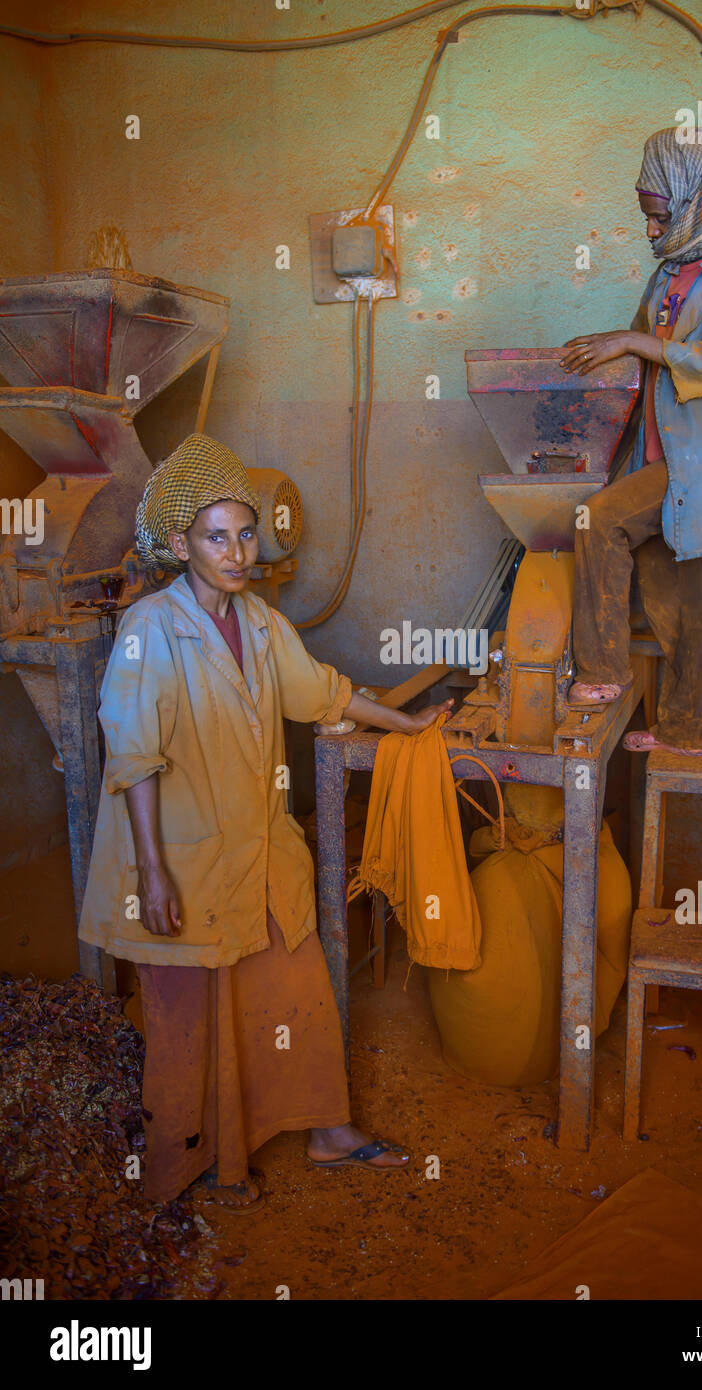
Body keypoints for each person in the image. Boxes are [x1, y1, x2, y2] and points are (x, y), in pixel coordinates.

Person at [79, 433, 452, 1209]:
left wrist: (405, 726)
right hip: (177, 858)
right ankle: (182, 1167)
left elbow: (321, 693)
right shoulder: (151, 627)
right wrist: (151, 872)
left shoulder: (258, 625)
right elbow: (134, 759)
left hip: (256, 852)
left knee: (295, 988)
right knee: (187, 1016)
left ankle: (325, 1128)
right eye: (218, 537)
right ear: (181, 544)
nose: (238, 551)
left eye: (246, 533)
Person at [560, 124, 702, 755]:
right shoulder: (674, 270)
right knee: (675, 595)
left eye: (658, 216)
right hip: (660, 452)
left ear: (694, 197)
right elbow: (642, 348)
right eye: (648, 217)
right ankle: (690, 730)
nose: (651, 230)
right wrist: (589, 367)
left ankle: (603, 673)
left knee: (597, 521)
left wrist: (633, 341)